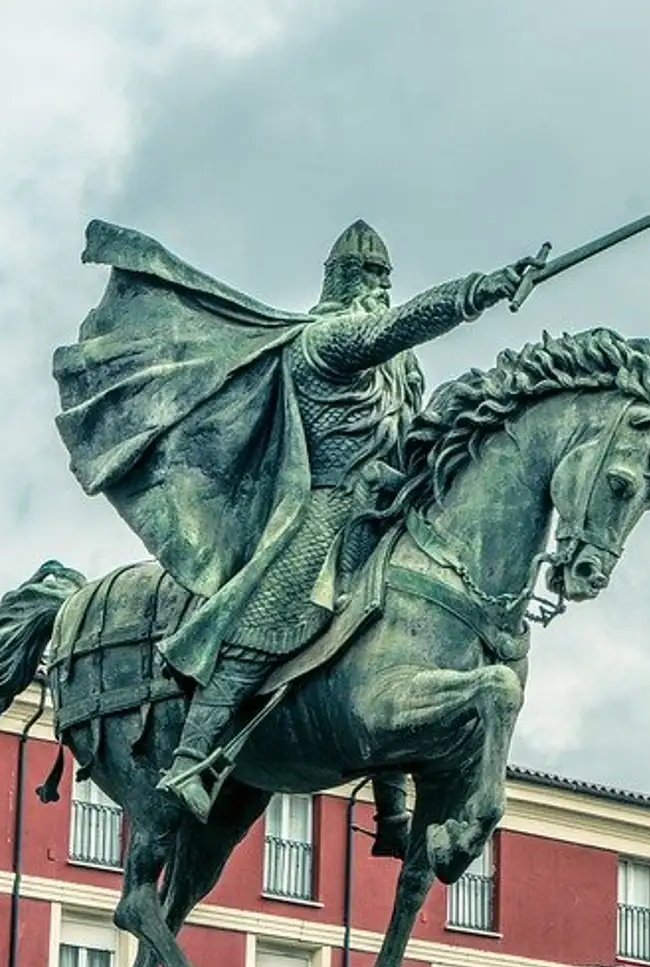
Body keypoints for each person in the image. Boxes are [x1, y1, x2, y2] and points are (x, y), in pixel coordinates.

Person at [52, 218, 538, 846]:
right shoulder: (326, 341)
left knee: (409, 630)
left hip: (387, 508)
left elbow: (411, 432)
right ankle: (192, 756)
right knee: (276, 616)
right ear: (340, 282)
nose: (376, 290)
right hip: (323, 509)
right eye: (367, 278)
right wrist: (482, 289)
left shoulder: (402, 371)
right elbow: (398, 327)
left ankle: (394, 797)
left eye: (383, 281)